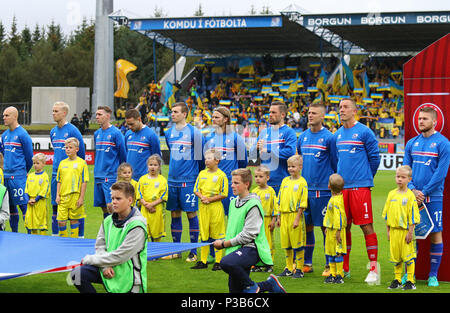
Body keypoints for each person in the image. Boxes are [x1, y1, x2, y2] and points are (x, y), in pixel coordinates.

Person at [212, 168, 285, 293]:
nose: (232, 185)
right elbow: (234, 229)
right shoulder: (233, 202)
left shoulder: (253, 204)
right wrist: (224, 241)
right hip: (236, 249)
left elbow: (248, 235)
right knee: (235, 292)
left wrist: (224, 244)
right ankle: (269, 285)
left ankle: (252, 286)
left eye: (236, 183)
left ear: (246, 184)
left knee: (226, 263)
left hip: (251, 249)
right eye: (232, 182)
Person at [333, 98, 380, 283]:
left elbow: (374, 159)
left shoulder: (364, 132)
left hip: (360, 188)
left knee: (366, 226)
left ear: (354, 111)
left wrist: (365, 178)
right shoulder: (336, 134)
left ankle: (374, 270)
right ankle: (345, 268)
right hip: (342, 189)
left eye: (345, 107)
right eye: (339, 107)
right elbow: (336, 160)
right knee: (343, 228)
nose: (341, 110)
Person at [71, 181, 148, 293]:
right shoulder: (108, 221)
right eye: (112, 198)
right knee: (77, 274)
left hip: (130, 278)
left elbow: (121, 255)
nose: (114, 202)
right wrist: (104, 267)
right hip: (110, 267)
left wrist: (92, 259)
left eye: (118, 199)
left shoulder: (137, 226)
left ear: (130, 201)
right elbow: (100, 246)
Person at [403, 106, 450, 287]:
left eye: (424, 119)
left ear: (434, 121)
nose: (420, 121)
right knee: (411, 235)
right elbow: (406, 170)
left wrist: (424, 192)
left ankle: (433, 275)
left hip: (433, 197)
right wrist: (414, 190)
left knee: (435, 234)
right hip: (412, 197)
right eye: (419, 118)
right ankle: (409, 275)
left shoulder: (443, 143)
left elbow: (441, 173)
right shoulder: (411, 143)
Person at [297, 102, 337, 276]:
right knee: (307, 228)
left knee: (325, 228)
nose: (310, 115)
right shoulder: (302, 137)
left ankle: (329, 264)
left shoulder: (329, 138)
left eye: (314, 113)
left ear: (322, 117)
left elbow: (336, 163)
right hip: (305, 190)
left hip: (323, 191)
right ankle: (307, 263)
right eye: (309, 112)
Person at [164, 102, 205, 261]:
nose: (172, 114)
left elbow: (200, 157)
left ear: (184, 114)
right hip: (172, 180)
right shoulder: (168, 133)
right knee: (174, 213)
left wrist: (197, 177)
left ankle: (193, 252)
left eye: (175, 112)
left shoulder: (195, 133)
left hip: (189, 180)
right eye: (171, 112)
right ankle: (176, 251)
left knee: (190, 213)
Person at [50, 101, 85, 236]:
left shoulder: (72, 130)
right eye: (53, 111)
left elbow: (80, 152)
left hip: (71, 176)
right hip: (56, 174)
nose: (53, 113)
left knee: (75, 207)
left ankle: (79, 237)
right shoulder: (53, 131)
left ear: (64, 113)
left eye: (56, 111)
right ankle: (56, 235)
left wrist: (74, 169)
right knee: (56, 204)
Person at [382, 165, 420, 290]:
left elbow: (413, 216)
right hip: (393, 232)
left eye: (403, 177)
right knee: (396, 258)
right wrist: (388, 231)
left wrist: (410, 232)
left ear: (409, 179)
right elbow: (387, 214)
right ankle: (397, 280)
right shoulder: (391, 194)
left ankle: (410, 280)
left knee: (408, 257)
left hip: (405, 232)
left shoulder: (410, 196)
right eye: (398, 176)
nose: (399, 179)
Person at [205, 106, 248, 215]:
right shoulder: (209, 137)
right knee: (214, 219)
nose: (213, 119)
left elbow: (243, 162)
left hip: (230, 184)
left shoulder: (235, 138)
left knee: (232, 217)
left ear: (226, 119)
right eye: (213, 117)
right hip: (212, 184)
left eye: (217, 117)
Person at [192, 148, 228, 270]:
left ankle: (218, 262)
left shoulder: (221, 175)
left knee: (217, 234)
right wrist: (202, 197)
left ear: (217, 161)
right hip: (203, 207)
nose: (206, 161)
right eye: (205, 158)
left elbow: (224, 193)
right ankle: (203, 261)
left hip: (215, 207)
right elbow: (196, 189)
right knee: (203, 234)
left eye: (209, 158)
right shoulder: (202, 173)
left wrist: (210, 200)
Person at [252, 102, 297, 195]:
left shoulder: (289, 132)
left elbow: (290, 152)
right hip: (264, 184)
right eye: (270, 112)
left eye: (273, 112)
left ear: (282, 115)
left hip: (282, 183)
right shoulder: (264, 132)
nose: (270, 115)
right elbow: (252, 154)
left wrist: (269, 150)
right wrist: (256, 148)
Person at [1, 106, 33, 232]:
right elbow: (3, 154)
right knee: (10, 206)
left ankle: (30, 233)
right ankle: (15, 234)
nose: (4, 117)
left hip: (18, 176)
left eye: (7, 115)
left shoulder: (22, 134)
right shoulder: (4, 135)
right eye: (3, 115)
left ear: (15, 116)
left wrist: (22, 171)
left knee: (23, 205)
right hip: (6, 176)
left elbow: (29, 157)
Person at [276, 155, 308, 278]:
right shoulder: (285, 181)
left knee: (298, 244)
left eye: (293, 166)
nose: (290, 169)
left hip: (295, 216)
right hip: (284, 216)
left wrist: (297, 218)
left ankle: (299, 269)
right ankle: (289, 268)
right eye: (289, 166)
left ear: (300, 167)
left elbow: (302, 202)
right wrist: (278, 217)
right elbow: (279, 199)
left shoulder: (302, 182)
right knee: (286, 244)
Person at [93, 106, 127, 219]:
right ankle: (108, 232)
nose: (97, 117)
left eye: (100, 114)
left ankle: (116, 231)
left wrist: (119, 174)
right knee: (103, 206)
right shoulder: (97, 133)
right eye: (96, 114)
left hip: (110, 176)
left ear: (108, 116)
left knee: (111, 206)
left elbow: (123, 155)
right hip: (98, 175)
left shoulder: (116, 133)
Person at [55, 137, 89, 238]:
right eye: (66, 148)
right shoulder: (62, 163)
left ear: (77, 149)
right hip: (63, 197)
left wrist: (81, 198)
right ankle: (64, 241)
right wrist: (57, 195)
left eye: (70, 147)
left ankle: (73, 241)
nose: (68, 149)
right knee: (61, 221)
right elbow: (59, 181)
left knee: (74, 220)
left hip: (75, 196)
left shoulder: (82, 163)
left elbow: (84, 181)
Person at [251, 165, 277, 272]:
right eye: (256, 176)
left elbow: (275, 207)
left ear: (267, 178)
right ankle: (257, 263)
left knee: (268, 242)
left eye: (260, 176)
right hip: (256, 221)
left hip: (266, 220)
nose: (257, 179)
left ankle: (268, 263)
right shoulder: (254, 192)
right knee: (257, 242)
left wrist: (273, 220)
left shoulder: (271, 191)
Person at [323, 173, 347, 284]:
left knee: (338, 252)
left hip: (337, 231)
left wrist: (338, 231)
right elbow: (330, 215)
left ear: (329, 186)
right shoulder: (334, 198)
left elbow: (339, 217)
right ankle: (332, 274)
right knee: (331, 252)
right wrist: (328, 226)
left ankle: (339, 275)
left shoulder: (337, 201)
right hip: (331, 229)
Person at [124, 109, 161, 181]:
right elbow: (126, 154)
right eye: (128, 124)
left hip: (146, 180)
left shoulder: (151, 135)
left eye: (132, 124)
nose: (130, 127)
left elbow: (157, 158)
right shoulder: (128, 134)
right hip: (130, 179)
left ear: (139, 119)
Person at [137, 154, 168, 242]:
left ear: (159, 166)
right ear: (147, 166)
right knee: (144, 233)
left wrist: (152, 204)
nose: (153, 167)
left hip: (157, 209)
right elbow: (139, 193)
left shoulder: (162, 180)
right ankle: (145, 253)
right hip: (144, 209)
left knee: (156, 233)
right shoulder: (142, 179)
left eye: (155, 165)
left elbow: (164, 195)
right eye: (151, 165)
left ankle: (156, 254)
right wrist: (146, 204)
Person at [24, 153, 50, 235]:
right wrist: (28, 200)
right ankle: (33, 241)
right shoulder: (30, 176)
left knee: (41, 224)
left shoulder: (45, 176)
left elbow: (44, 190)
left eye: (37, 163)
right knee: (32, 225)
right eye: (34, 163)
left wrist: (35, 199)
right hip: (30, 203)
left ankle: (43, 241)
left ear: (43, 164)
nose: (35, 165)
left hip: (39, 203)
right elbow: (26, 190)